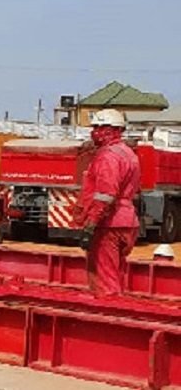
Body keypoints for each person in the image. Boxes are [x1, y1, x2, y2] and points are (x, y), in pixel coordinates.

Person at [72, 108, 141, 296]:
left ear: (109, 130)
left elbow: (105, 195)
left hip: (109, 224)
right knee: (115, 274)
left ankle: (110, 317)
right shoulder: (129, 153)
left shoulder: (108, 156)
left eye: (96, 127)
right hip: (127, 221)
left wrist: (91, 224)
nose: (93, 132)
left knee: (104, 280)